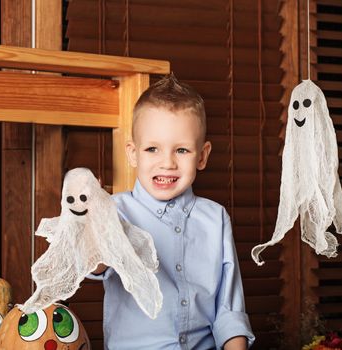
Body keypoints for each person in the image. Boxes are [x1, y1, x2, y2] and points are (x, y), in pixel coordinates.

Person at [89, 74, 254, 349]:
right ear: (133, 154)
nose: (167, 163)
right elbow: (95, 264)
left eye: (181, 150)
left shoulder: (216, 219)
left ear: (202, 156)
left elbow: (229, 310)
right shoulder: (116, 211)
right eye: (152, 148)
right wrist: (95, 219)